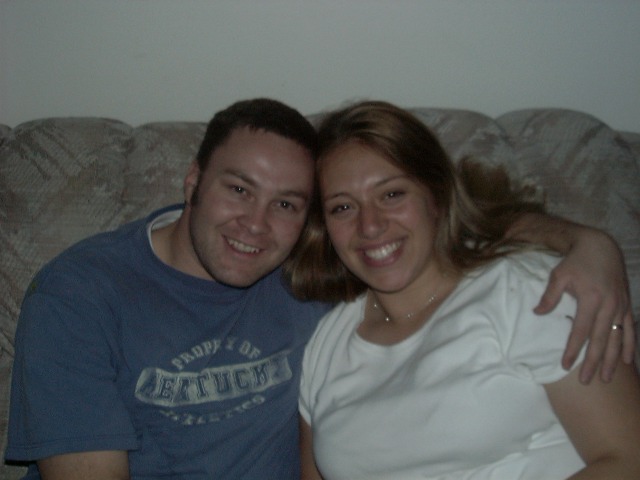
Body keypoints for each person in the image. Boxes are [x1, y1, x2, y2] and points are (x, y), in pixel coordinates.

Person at [4, 98, 635, 480]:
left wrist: (589, 242)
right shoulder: (79, 296)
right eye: (238, 189)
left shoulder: (307, 279)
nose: (255, 226)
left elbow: (452, 230)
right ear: (192, 180)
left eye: (285, 203)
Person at [290, 100, 640, 479]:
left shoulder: (531, 291)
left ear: (437, 197)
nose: (370, 226)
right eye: (343, 208)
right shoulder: (326, 344)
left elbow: (628, 460)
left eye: (392, 194)